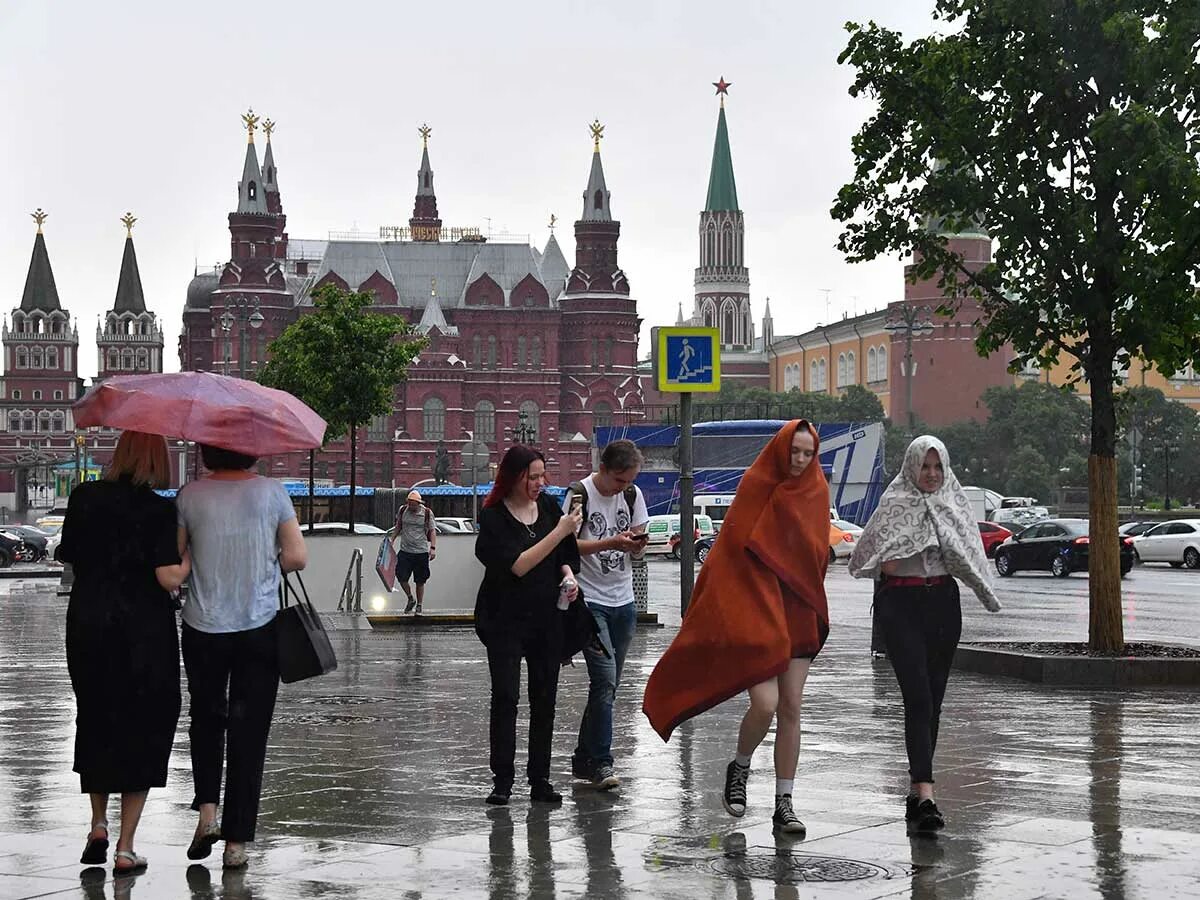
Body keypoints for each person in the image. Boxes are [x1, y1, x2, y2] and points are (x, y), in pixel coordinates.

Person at [643, 420, 831, 835]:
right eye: (794, 452)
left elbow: (817, 552)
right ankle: (740, 766)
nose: (800, 460)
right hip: (757, 609)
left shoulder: (816, 491)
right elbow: (729, 553)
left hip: (797, 608)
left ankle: (785, 803)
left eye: (808, 453)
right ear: (781, 450)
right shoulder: (756, 484)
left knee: (792, 707)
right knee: (765, 704)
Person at [849, 435, 1001, 835]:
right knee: (916, 696)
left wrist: (946, 546)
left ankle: (918, 792)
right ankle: (928, 794)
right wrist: (916, 539)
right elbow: (873, 557)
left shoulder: (955, 502)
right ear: (911, 466)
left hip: (943, 605)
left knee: (932, 701)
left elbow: (969, 551)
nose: (931, 474)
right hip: (901, 606)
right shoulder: (894, 500)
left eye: (937, 467)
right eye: (924, 466)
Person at [59, 431, 192, 875]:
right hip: (143, 630)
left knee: (95, 715)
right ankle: (126, 846)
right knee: (146, 723)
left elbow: (71, 558)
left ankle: (97, 823)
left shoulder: (83, 497)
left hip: (88, 623)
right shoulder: (159, 509)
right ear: (158, 460)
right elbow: (168, 578)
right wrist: (187, 557)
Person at [176, 443, 308, 869]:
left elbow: (178, 561)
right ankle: (237, 845)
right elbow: (296, 556)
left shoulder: (190, 495)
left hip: (202, 626)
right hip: (258, 627)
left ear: (207, 450)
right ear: (249, 449)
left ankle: (208, 815)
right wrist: (265, 559)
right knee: (249, 733)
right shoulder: (272, 492)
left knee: (207, 720)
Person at [474, 445, 582, 806]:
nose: (540, 483)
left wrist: (568, 578)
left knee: (545, 700)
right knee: (505, 698)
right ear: (513, 477)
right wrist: (561, 530)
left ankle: (540, 779)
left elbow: (565, 555)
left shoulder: (549, 507)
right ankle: (502, 780)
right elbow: (518, 565)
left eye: (542, 475)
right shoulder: (493, 517)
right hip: (504, 620)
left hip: (546, 619)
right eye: (531, 477)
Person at [564, 439, 648, 791]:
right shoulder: (579, 494)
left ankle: (584, 757)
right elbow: (566, 544)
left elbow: (640, 534)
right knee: (604, 681)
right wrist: (611, 542)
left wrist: (636, 542)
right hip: (589, 599)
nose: (623, 488)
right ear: (603, 468)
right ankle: (601, 762)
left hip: (623, 600)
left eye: (628, 482)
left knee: (608, 686)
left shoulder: (632, 495)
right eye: (618, 481)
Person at [389, 490, 436, 614]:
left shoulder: (426, 513)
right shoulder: (403, 510)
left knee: (420, 580)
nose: (411, 507)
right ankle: (410, 598)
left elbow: (432, 530)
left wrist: (433, 548)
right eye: (409, 504)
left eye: (413, 504)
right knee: (401, 575)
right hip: (405, 550)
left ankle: (419, 605)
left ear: (418, 503)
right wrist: (392, 539)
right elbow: (398, 526)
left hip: (421, 551)